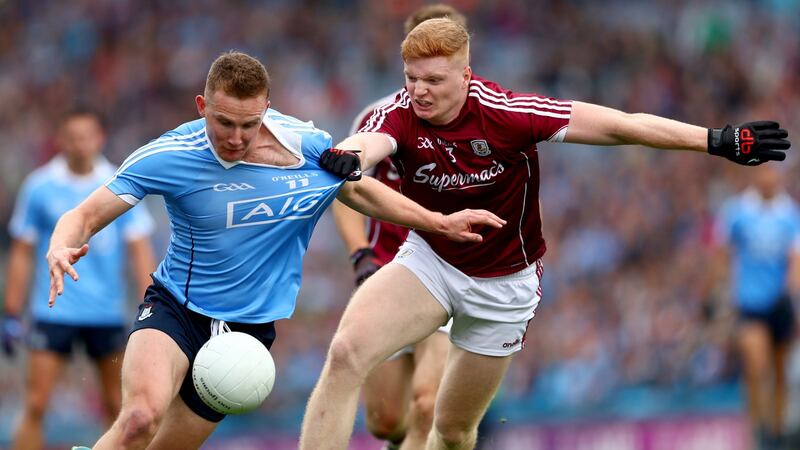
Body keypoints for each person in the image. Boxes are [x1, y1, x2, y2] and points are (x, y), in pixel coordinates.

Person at [299, 18, 791, 450]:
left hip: (503, 286)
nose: (419, 90)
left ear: (466, 77)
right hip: (430, 264)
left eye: (433, 79)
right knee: (346, 353)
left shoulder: (507, 113)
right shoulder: (403, 113)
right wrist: (351, 156)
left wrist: (716, 140)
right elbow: (368, 141)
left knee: (451, 433)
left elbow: (620, 126)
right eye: (411, 79)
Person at [45, 51, 504, 450]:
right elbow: (84, 215)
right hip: (176, 309)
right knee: (140, 420)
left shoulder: (307, 148)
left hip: (248, 334)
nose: (236, 137)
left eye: (249, 123)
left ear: (267, 108)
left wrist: (437, 222)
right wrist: (60, 247)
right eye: (223, 122)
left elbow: (357, 192)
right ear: (202, 106)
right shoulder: (169, 155)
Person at [330, 4, 467, 450]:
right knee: (388, 420)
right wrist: (360, 255)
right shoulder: (379, 119)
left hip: (456, 274)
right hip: (394, 272)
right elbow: (345, 192)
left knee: (430, 405)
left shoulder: (488, 117)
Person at [1, 109, 156, 450]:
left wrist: (153, 305)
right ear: (61, 140)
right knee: (36, 403)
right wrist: (11, 311)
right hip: (54, 309)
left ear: (100, 138)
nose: (79, 144)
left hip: (107, 312)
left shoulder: (119, 181)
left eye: (86, 136)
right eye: (72, 137)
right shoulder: (40, 186)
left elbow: (139, 248)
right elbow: (23, 250)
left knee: (120, 408)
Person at [709, 163, 800, 450]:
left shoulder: (789, 214)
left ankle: (776, 430)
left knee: (779, 373)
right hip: (750, 304)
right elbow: (722, 251)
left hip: (779, 304)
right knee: (757, 365)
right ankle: (759, 431)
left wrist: (791, 293)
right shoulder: (738, 211)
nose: (769, 178)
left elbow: (795, 259)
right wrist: (723, 290)